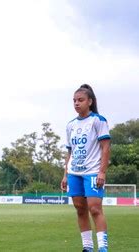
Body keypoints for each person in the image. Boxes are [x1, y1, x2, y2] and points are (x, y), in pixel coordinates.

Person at [61, 84, 111, 252]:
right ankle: (87, 247)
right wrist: (65, 175)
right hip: (74, 172)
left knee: (95, 208)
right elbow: (69, 152)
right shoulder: (70, 125)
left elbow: (105, 147)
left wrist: (102, 172)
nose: (76, 103)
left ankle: (103, 248)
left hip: (92, 172)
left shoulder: (98, 120)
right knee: (80, 209)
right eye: (74, 100)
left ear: (90, 101)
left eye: (80, 100)